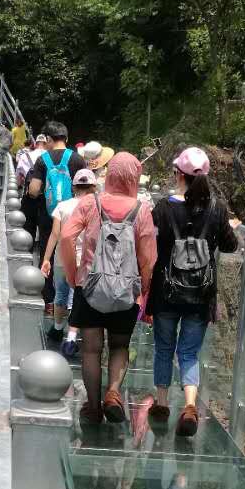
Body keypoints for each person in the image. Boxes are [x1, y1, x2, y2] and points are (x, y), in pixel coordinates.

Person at [145, 147, 239, 437]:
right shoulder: (217, 209)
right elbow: (230, 246)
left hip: (166, 291)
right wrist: (228, 226)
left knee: (164, 347)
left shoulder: (162, 208)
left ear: (178, 175)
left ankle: (161, 404)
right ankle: (189, 406)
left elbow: (149, 244)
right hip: (201, 294)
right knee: (188, 352)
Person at [60, 152, 156, 425]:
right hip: (126, 289)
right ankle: (113, 392)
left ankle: (92, 407)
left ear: (110, 174)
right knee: (119, 345)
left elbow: (67, 236)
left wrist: (72, 274)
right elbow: (148, 258)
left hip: (88, 285)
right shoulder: (142, 210)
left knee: (91, 348)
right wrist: (143, 288)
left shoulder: (91, 203)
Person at [28, 122, 84, 312]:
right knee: (75, 253)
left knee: (48, 255)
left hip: (48, 216)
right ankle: (72, 300)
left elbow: (34, 190)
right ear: (66, 139)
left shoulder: (42, 160)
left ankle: (50, 302)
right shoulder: (77, 159)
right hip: (74, 217)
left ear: (49, 139)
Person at [41, 167, 98, 344]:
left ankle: (58, 329)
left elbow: (55, 234)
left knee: (61, 296)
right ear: (93, 188)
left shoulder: (62, 206)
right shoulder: (96, 208)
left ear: (73, 188)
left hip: (62, 259)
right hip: (86, 261)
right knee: (78, 298)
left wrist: (46, 259)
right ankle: (72, 336)